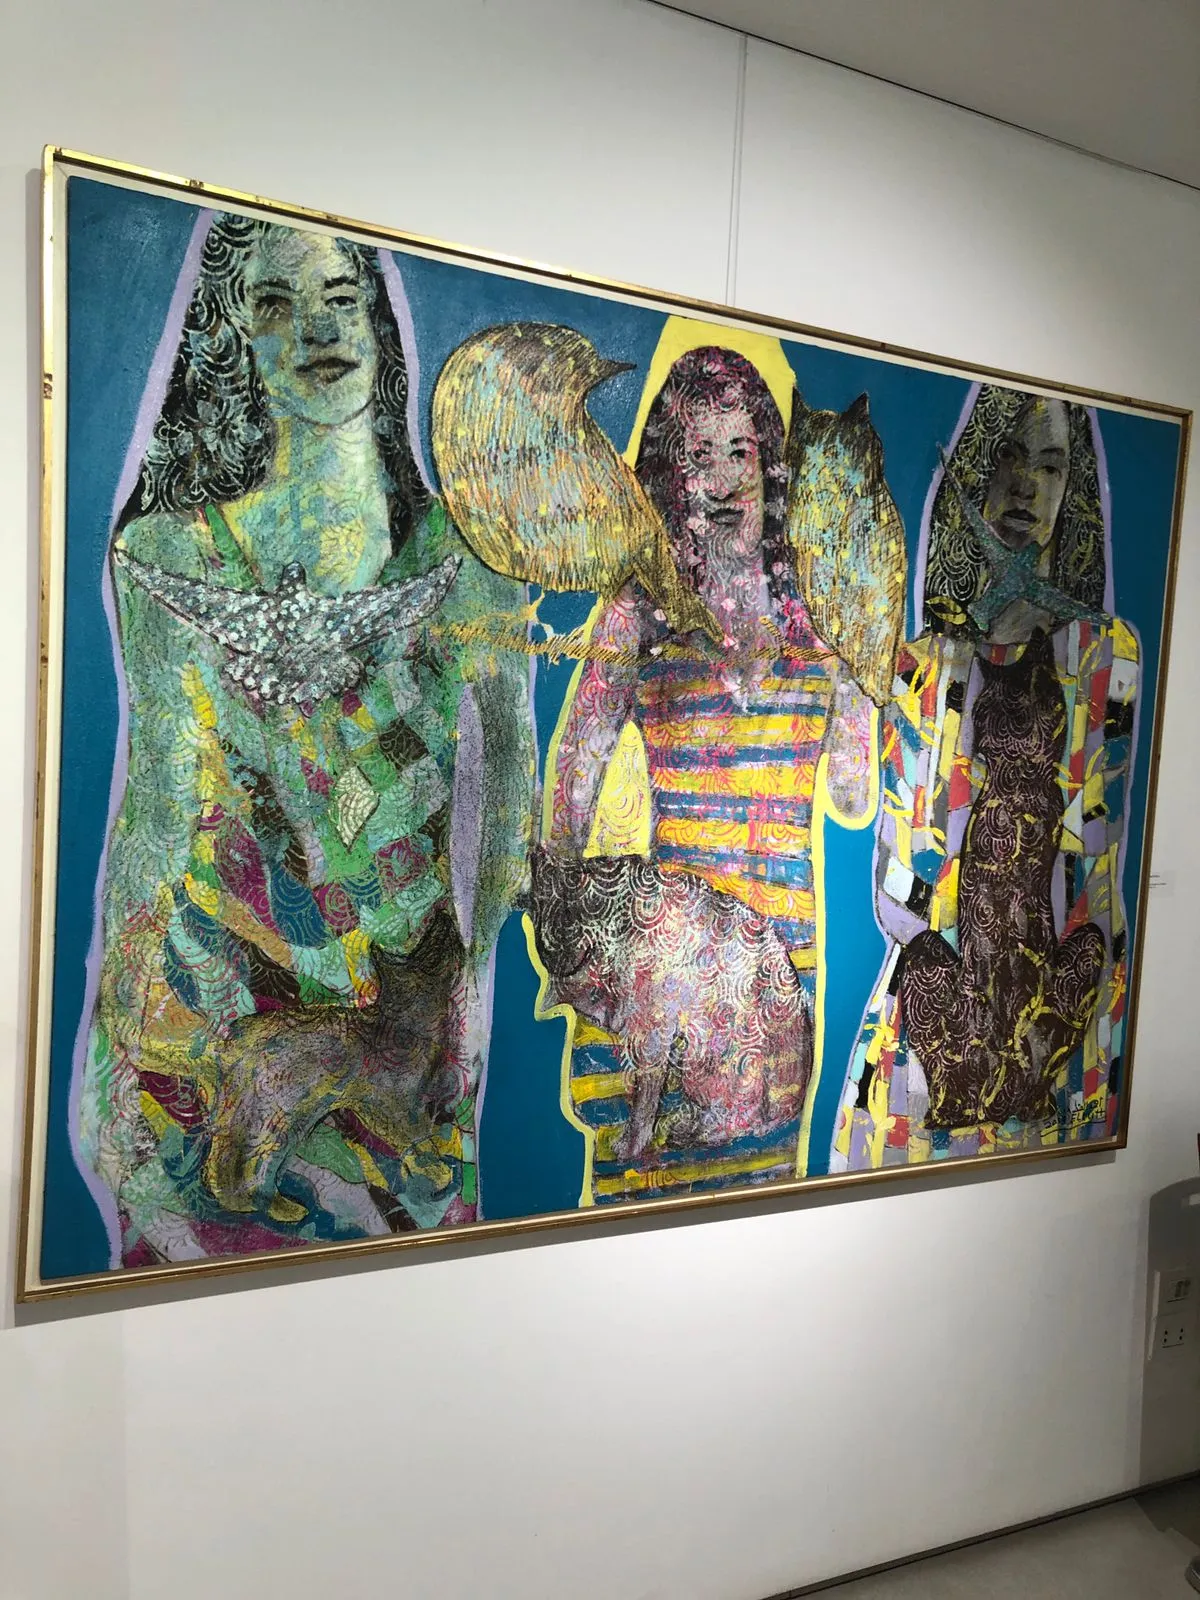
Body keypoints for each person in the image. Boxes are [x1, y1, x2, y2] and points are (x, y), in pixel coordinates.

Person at [79, 213, 533, 1265]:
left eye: (339, 298)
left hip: (403, 1055)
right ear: (233, 339)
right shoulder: (168, 554)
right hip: (203, 1034)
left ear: (377, 320)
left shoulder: (466, 558)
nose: (317, 330)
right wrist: (123, 1049)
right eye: (275, 306)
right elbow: (157, 813)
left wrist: (421, 1028)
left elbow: (507, 828)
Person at [546, 344, 881, 1201]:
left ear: (769, 467)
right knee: (633, 1208)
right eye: (701, 455)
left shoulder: (819, 620)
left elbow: (852, 792)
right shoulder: (640, 612)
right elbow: (574, 779)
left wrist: (859, 660)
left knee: (759, 1211)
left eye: (742, 452)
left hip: (783, 980)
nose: (727, 480)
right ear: (673, 474)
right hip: (661, 972)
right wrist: (572, 925)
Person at [834, 384, 1139, 1171]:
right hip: (935, 1033)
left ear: (1072, 491)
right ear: (974, 470)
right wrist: (954, 1011)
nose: (1026, 487)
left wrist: (1055, 1020)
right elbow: (896, 877)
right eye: (1006, 456)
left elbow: (1099, 861)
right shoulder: (921, 668)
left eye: (1051, 466)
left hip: (1063, 1031)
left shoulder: (1106, 661)